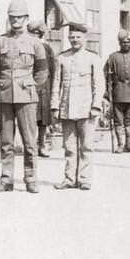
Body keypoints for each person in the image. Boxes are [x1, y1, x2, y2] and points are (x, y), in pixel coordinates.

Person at [0, 0, 50, 192]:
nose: (15, 20)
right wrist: (3, 83)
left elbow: (42, 71)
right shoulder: (0, 41)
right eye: (12, 17)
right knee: (6, 141)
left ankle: (30, 178)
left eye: (19, 17)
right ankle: (6, 179)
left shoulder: (35, 43)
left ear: (26, 18)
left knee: (29, 141)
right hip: (6, 95)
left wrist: (31, 85)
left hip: (27, 96)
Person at [52, 21, 103, 190]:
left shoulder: (93, 58)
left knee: (86, 146)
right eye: (72, 37)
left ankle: (84, 178)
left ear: (85, 38)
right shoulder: (62, 58)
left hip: (86, 109)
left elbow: (98, 84)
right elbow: (56, 83)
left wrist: (96, 106)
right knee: (69, 146)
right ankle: (69, 179)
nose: (75, 40)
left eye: (78, 37)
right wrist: (55, 106)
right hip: (67, 108)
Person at [105, 29, 130, 152]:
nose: (126, 45)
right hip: (117, 92)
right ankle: (120, 144)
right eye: (123, 42)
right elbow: (107, 76)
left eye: (128, 42)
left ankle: (129, 144)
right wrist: (108, 92)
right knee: (118, 120)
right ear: (119, 43)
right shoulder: (113, 57)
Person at [28, 20, 57, 157]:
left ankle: (42, 145)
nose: (35, 37)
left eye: (37, 34)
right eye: (32, 34)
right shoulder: (26, 46)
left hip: (44, 87)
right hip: (30, 86)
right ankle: (30, 146)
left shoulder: (47, 48)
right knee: (30, 117)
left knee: (43, 120)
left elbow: (52, 68)